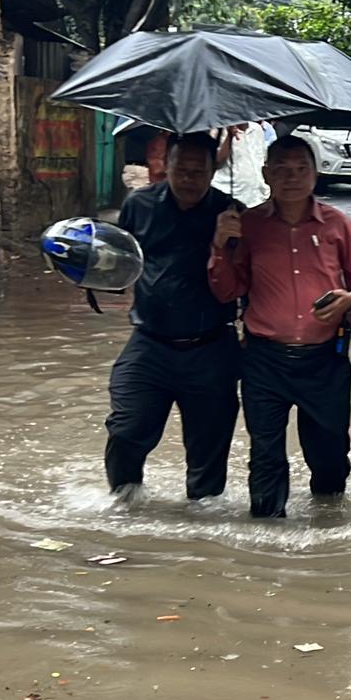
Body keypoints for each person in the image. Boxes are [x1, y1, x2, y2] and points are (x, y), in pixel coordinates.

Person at [209, 136, 351, 518]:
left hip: (326, 359)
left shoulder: (337, 224)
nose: (292, 178)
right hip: (264, 359)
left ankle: (328, 532)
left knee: (330, 457)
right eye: (282, 170)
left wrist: (350, 299)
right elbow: (228, 291)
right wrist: (221, 246)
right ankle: (268, 544)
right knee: (265, 454)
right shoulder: (247, 225)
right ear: (266, 174)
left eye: (301, 169)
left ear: (315, 174)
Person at [105, 132, 240, 502]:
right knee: (127, 428)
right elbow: (121, 262)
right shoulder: (139, 204)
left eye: (200, 170)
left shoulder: (232, 212)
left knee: (209, 447)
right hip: (150, 343)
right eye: (182, 167)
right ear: (166, 165)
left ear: (215, 170)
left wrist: (224, 244)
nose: (189, 177)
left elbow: (240, 285)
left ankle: (202, 528)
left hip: (211, 346)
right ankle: (124, 504)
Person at [211, 122, 270, 208]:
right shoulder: (218, 130)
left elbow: (261, 159)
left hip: (257, 196)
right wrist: (229, 136)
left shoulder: (257, 129)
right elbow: (216, 162)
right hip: (230, 197)